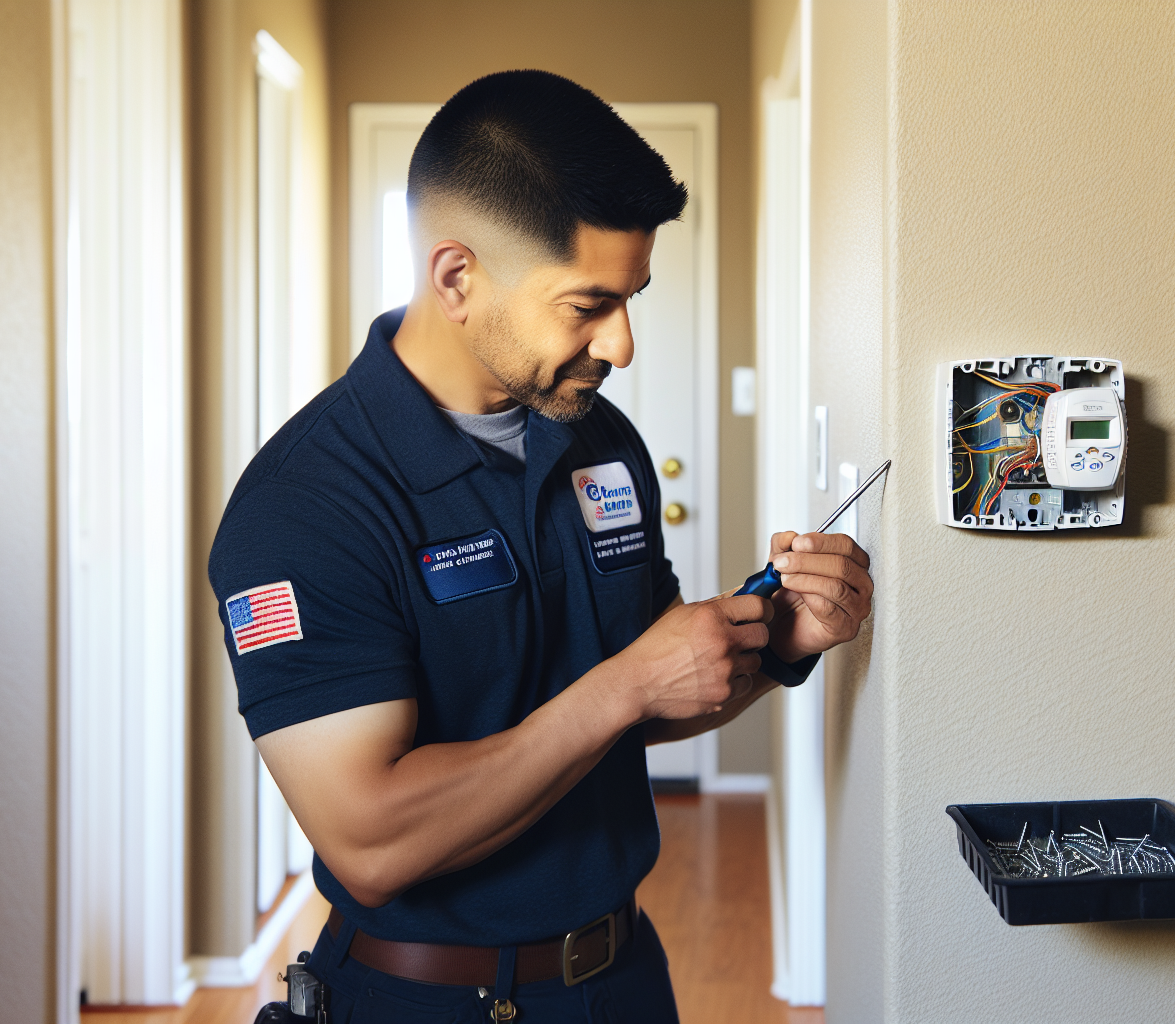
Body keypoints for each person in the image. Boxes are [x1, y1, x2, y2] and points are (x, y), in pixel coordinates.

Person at [210, 69, 873, 1023]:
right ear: (457, 277)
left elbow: (642, 708)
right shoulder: (305, 504)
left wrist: (779, 646)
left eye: (634, 297)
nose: (624, 344)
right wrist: (629, 681)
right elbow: (372, 839)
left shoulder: (598, 441)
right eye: (587, 305)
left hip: (624, 978)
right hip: (423, 998)